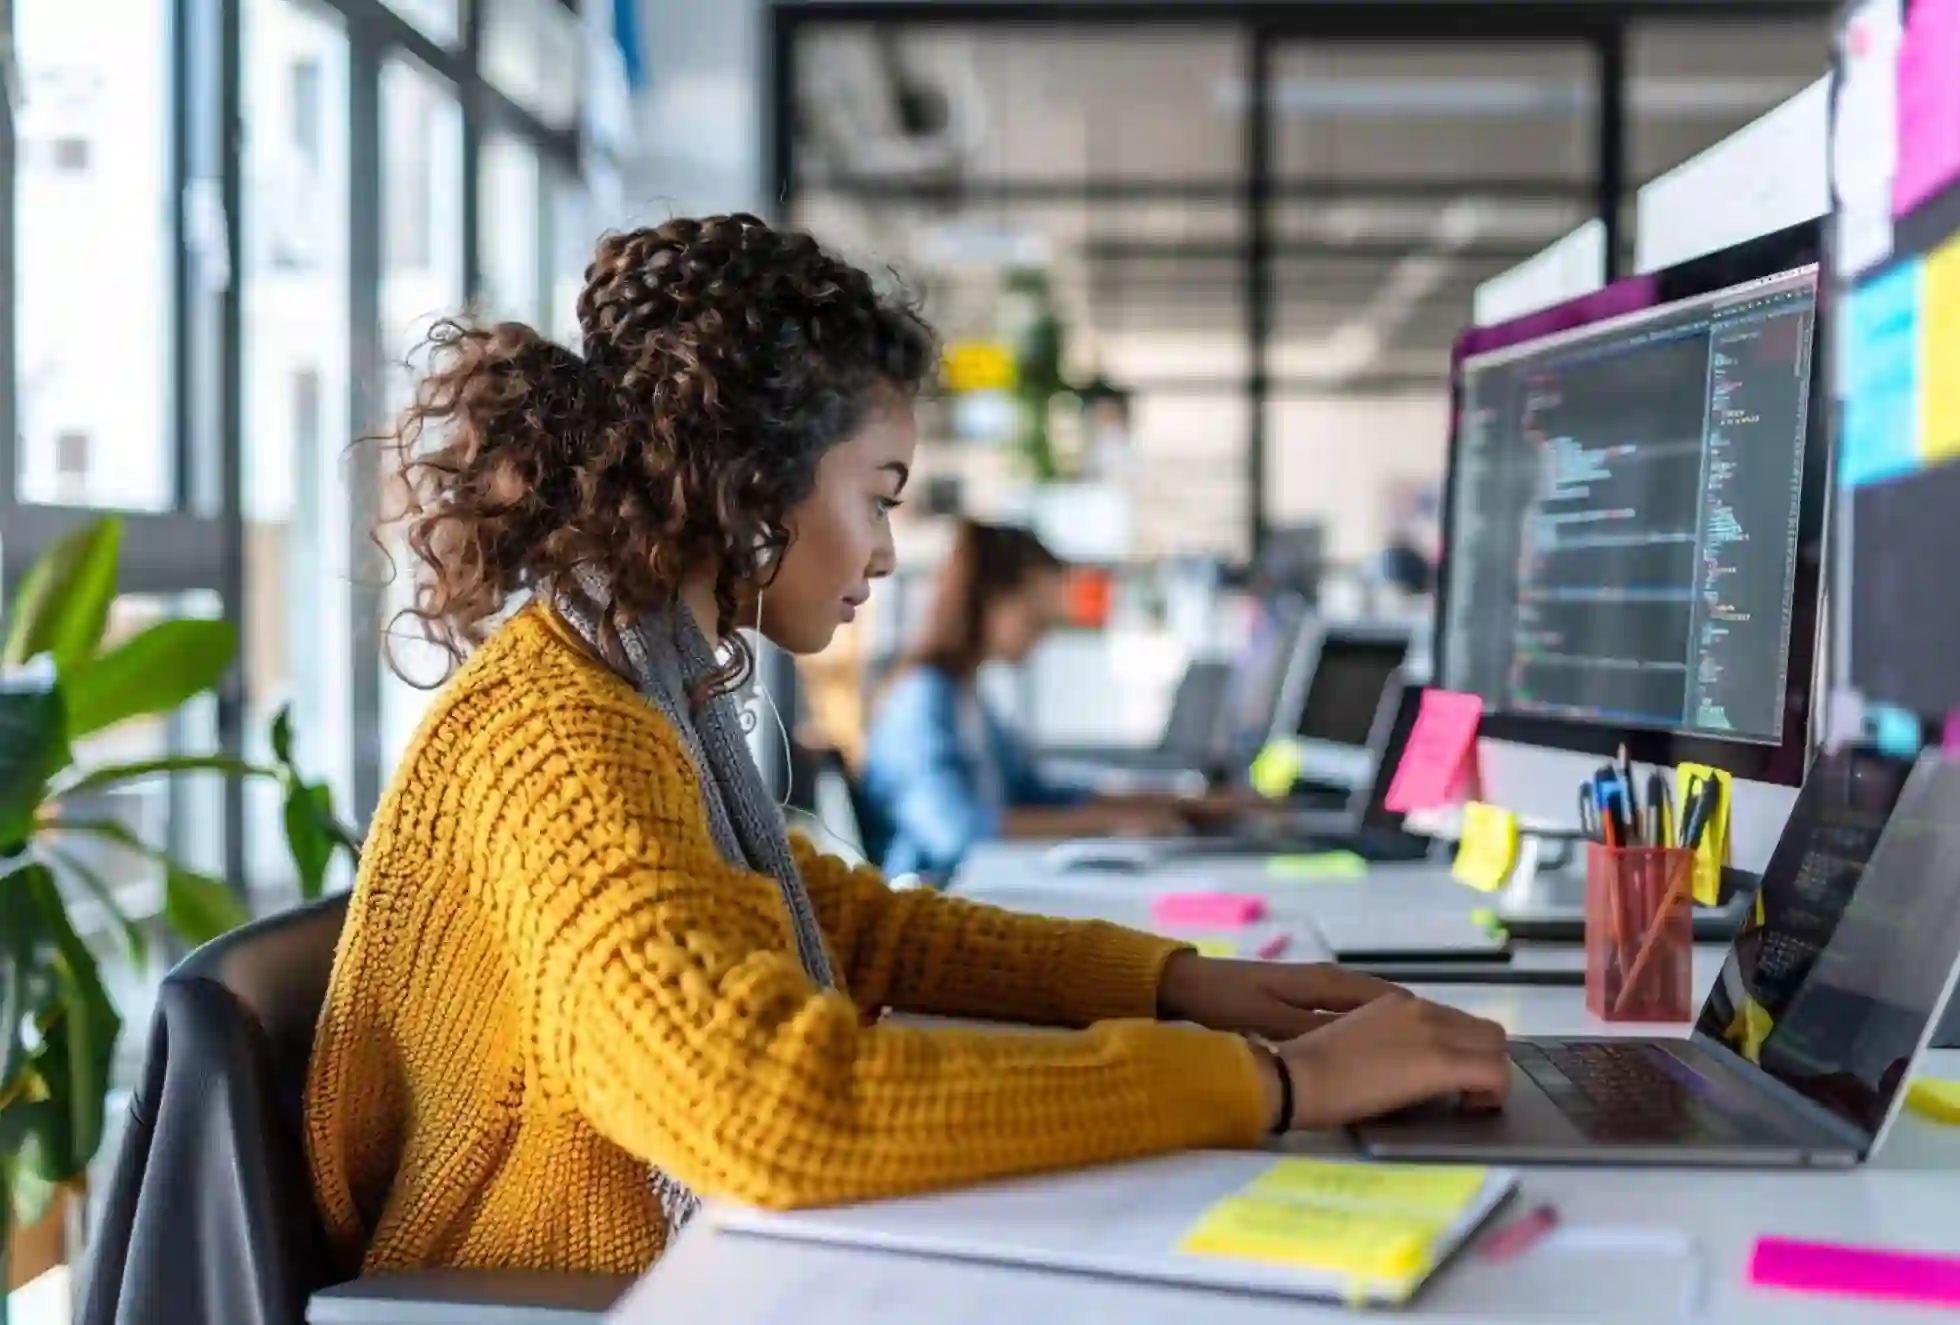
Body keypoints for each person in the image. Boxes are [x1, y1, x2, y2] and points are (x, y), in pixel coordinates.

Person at [304, 213, 1511, 1280]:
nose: (883, 551)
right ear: (755, 480)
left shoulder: (635, 682)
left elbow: (863, 929)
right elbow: (768, 1102)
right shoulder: (562, 730)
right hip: (576, 1286)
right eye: (877, 493)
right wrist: (1279, 1084)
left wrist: (1181, 982)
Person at [861, 520, 1200, 880]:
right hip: (936, 897)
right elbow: (954, 834)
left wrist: (1169, 803)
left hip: (978, 888)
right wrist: (1108, 822)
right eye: (1038, 619)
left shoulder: (967, 697)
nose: (1044, 637)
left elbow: (1029, 790)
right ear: (991, 601)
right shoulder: (922, 700)